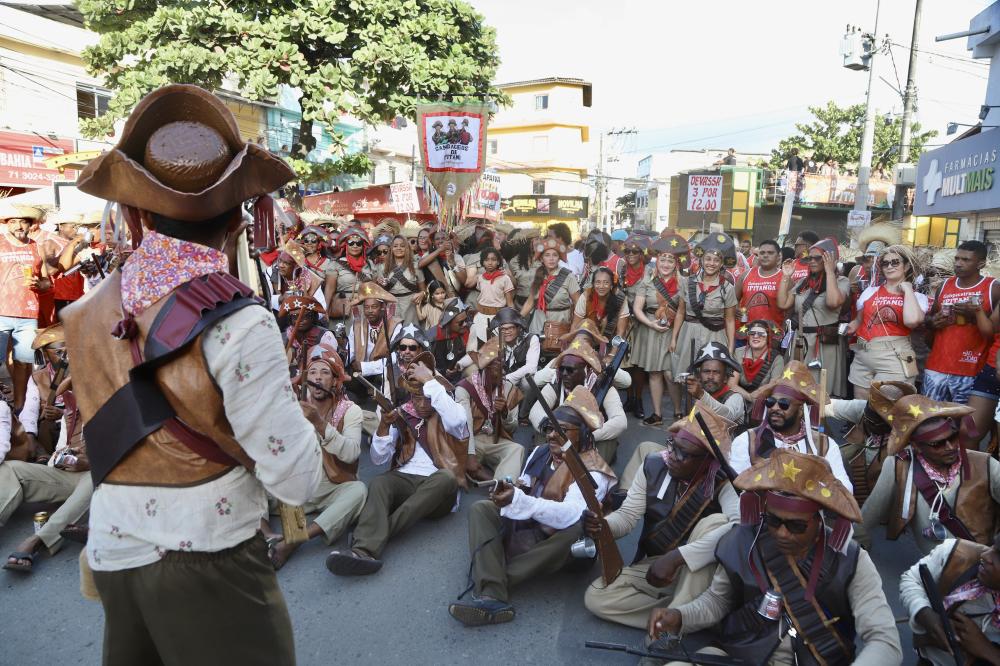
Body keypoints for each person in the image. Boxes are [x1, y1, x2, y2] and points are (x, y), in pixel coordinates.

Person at [62, 84, 324, 664]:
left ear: (133, 213)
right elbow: (297, 481)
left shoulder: (84, 313)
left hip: (114, 548)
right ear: (240, 219)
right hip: (207, 555)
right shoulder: (239, 320)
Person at [651, 449, 901, 665]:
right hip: (740, 654)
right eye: (773, 520)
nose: (781, 533)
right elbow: (717, 602)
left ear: (819, 519)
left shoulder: (852, 560)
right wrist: (680, 616)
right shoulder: (743, 540)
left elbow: (884, 641)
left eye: (796, 526)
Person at [448, 386, 615, 627]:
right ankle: (493, 592)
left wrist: (520, 501)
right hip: (532, 523)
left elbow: (570, 514)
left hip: (562, 542)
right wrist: (511, 491)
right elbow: (526, 484)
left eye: (562, 431)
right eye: (549, 429)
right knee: (481, 509)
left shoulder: (595, 470)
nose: (552, 436)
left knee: (578, 526)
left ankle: (492, 581)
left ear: (583, 434)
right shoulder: (540, 451)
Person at [583, 405, 739, 629]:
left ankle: (672, 629)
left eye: (684, 454)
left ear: (708, 460)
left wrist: (678, 557)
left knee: (715, 523)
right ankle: (690, 611)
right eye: (673, 446)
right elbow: (627, 516)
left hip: (701, 570)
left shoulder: (724, 481)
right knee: (596, 597)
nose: (673, 457)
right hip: (657, 564)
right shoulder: (654, 464)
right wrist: (602, 524)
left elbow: (739, 528)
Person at [326, 347, 469, 576]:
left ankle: (373, 534)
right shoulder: (403, 413)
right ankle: (363, 551)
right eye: (416, 397)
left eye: (427, 397)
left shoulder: (450, 413)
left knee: (446, 478)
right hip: (406, 478)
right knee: (380, 483)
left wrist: (431, 381)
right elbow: (378, 458)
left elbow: (457, 418)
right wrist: (384, 427)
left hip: (439, 486)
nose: (421, 403)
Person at [262, 345, 366, 570]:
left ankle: (294, 540)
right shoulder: (291, 403)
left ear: (336, 379)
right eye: (313, 372)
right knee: (245, 470)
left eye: (325, 372)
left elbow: (352, 453)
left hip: (330, 486)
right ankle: (268, 535)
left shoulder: (350, 410)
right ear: (305, 378)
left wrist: (320, 424)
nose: (318, 377)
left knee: (359, 491)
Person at [861, 394, 1000, 555]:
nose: (950, 446)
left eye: (953, 437)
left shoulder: (986, 464)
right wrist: (853, 549)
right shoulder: (899, 466)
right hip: (934, 568)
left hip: (984, 565)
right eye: (937, 444)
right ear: (916, 447)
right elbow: (871, 513)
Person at [2, 326, 92, 574]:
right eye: (59, 351)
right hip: (68, 467)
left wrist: (92, 461)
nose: (65, 356)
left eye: (69, 349)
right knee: (12, 469)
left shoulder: (106, 386)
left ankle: (37, 541)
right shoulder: (45, 381)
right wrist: (55, 455)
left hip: (99, 473)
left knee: (96, 478)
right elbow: (34, 417)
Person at [730, 360, 853, 491]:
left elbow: (845, 488)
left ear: (800, 410)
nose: (775, 408)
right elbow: (737, 485)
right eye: (771, 402)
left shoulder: (824, 444)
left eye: (784, 404)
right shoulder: (747, 441)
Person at [901, 535, 1000, 666]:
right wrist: (926, 615)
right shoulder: (958, 554)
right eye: (993, 546)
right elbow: (912, 579)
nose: (986, 555)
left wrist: (988, 651)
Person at [846, 244, 927, 400]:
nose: (890, 266)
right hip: (863, 355)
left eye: (895, 262)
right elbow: (859, 320)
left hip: (895, 357)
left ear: (906, 266)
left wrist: (908, 289)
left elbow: (912, 321)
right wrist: (849, 327)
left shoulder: (917, 298)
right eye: (885, 263)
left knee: (885, 411)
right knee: (860, 409)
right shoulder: (870, 292)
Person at [923, 240, 998, 404]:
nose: (958, 263)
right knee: (931, 422)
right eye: (957, 259)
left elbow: (993, 333)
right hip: (937, 367)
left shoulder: (993, 287)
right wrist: (933, 322)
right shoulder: (944, 285)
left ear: (981, 263)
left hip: (972, 369)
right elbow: (928, 320)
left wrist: (974, 314)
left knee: (965, 425)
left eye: (966, 260)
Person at [529, 340, 626, 465]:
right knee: (542, 431)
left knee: (608, 440)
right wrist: (554, 430)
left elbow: (620, 421)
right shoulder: (557, 384)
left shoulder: (603, 388)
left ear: (586, 371)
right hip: (561, 436)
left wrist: (586, 436)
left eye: (570, 370)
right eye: (561, 369)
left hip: (590, 439)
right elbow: (535, 411)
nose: (564, 374)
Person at [778, 236, 849, 398]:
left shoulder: (841, 281)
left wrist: (830, 271)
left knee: (822, 390)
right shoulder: (804, 282)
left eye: (818, 258)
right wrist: (786, 276)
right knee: (796, 389)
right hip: (800, 341)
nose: (811, 261)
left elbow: (833, 302)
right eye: (809, 258)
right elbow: (783, 304)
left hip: (824, 343)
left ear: (829, 258)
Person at [825, 380, 913, 506]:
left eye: (879, 417)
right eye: (870, 411)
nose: (870, 419)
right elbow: (829, 406)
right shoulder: (864, 408)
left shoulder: (905, 444)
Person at [0, 201, 51, 413]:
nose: (19, 226)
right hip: (1, 312)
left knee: (23, 362)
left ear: (31, 225)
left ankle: (20, 407)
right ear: (6, 224)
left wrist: (40, 284)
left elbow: (48, 281)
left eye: (23, 222)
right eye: (14, 222)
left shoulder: (36, 247)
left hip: (27, 313)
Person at [455, 336, 525, 484]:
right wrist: (471, 454)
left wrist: (505, 413)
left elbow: (512, 429)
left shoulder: (509, 388)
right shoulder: (464, 387)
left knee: (517, 449)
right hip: (472, 441)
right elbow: (464, 424)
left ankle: (502, 486)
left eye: (500, 363)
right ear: (483, 367)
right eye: (491, 364)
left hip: (495, 440)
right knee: (457, 457)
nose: (496, 368)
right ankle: (482, 476)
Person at [670, 234, 738, 385]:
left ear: (721, 264)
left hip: (714, 336)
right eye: (708, 259)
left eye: (716, 260)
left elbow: (730, 319)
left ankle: (707, 409)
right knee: (688, 378)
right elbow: (681, 312)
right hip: (688, 335)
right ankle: (689, 409)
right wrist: (674, 338)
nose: (711, 263)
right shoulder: (688, 282)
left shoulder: (727, 288)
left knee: (710, 379)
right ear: (701, 260)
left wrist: (731, 347)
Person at [632, 236, 686, 424]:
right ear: (657, 261)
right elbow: (637, 309)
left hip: (673, 332)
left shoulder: (684, 283)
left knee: (670, 374)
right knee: (654, 373)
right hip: (652, 330)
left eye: (670, 260)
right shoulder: (647, 281)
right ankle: (657, 414)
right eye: (662, 259)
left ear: (676, 263)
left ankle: (678, 411)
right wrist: (651, 324)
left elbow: (683, 311)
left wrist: (676, 334)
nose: (666, 264)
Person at [520, 238, 580, 341]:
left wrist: (574, 327)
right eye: (547, 255)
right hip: (538, 324)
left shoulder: (568, 276)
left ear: (559, 258)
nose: (551, 259)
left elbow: (578, 303)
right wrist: (517, 320)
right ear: (542, 259)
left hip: (560, 324)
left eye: (555, 255)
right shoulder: (537, 275)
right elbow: (530, 302)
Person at [346, 281, 401, 392]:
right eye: (366, 307)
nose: (370, 311)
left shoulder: (395, 325)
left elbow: (396, 357)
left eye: (374, 307)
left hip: (382, 372)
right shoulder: (357, 325)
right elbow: (350, 352)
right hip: (360, 373)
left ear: (383, 307)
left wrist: (366, 368)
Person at [683, 341, 746, 425]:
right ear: (699, 376)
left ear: (725, 378)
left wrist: (701, 395)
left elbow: (728, 415)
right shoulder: (695, 395)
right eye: (706, 371)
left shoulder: (736, 398)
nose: (710, 377)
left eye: (716, 372)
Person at [279, 294, 336, 380]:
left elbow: (331, 367)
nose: (300, 320)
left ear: (313, 317)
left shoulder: (325, 336)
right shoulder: (283, 338)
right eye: (295, 317)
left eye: (305, 316)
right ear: (289, 319)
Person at [729, 319, 785, 406]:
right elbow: (732, 384)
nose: (755, 336)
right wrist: (749, 397)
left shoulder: (777, 359)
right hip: (739, 399)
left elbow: (773, 385)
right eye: (752, 333)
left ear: (768, 337)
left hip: (764, 402)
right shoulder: (738, 352)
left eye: (761, 334)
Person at [736, 239, 785, 335]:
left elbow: (789, 311)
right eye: (762, 253)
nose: (765, 255)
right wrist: (735, 309)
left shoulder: (785, 278)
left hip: (772, 335)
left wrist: (781, 333)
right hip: (744, 334)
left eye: (770, 253)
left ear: (778, 256)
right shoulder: (746, 275)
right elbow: (733, 299)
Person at [327, 226, 371, 324]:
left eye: (358, 243)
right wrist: (326, 309)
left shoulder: (370, 265)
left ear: (363, 246)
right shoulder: (336, 264)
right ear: (346, 245)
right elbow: (329, 289)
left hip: (366, 307)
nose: (355, 246)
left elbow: (374, 288)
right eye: (351, 243)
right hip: (343, 305)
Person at [470, 247, 514, 345]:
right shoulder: (480, 278)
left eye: (493, 260)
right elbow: (483, 295)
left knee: (498, 345)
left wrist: (511, 320)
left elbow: (510, 302)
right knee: (480, 344)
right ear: (482, 262)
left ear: (498, 262)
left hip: (498, 316)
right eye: (486, 260)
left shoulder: (504, 278)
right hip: (481, 316)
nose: (490, 263)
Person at [573, 266, 629, 340]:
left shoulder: (620, 299)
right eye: (598, 282)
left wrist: (613, 352)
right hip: (586, 343)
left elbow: (620, 333)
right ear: (593, 284)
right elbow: (575, 326)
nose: (601, 286)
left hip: (611, 343)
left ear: (611, 285)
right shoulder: (586, 297)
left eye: (606, 282)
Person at [377, 234, 423, 324]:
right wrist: (379, 284)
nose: (399, 248)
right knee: (393, 334)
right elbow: (380, 292)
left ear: (407, 248)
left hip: (411, 305)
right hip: (391, 304)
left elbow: (423, 289)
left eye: (402, 246)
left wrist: (422, 293)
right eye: (395, 246)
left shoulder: (415, 266)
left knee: (410, 335)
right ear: (391, 249)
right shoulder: (383, 267)